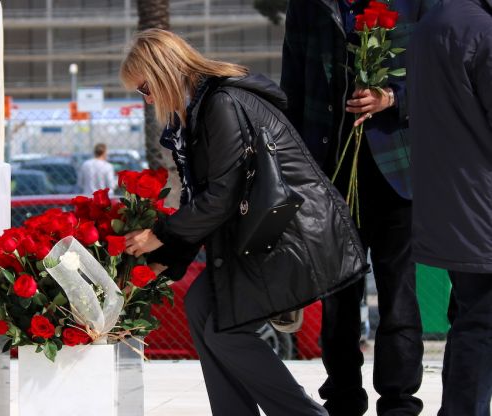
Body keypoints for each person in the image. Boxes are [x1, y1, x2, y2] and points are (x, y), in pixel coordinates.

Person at [120, 28, 367, 416]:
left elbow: (222, 196)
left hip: (291, 233)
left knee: (226, 330)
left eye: (145, 87)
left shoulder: (221, 104)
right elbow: (201, 198)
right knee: (201, 307)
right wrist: (167, 257)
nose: (146, 99)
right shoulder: (195, 113)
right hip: (261, 235)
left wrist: (160, 235)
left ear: (166, 72)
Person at [281, 1, 435, 414]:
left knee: (398, 292)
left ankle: (400, 402)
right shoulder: (307, 6)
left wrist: (392, 97)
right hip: (330, 169)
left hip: (397, 171)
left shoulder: (416, 4)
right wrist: (295, 173)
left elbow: (440, 69)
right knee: (339, 297)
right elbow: (293, 84)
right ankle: (343, 399)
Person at [408, 1, 492, 414]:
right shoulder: (482, 32)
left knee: (470, 317)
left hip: (454, 202)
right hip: (482, 204)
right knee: (482, 324)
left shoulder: (431, 25)